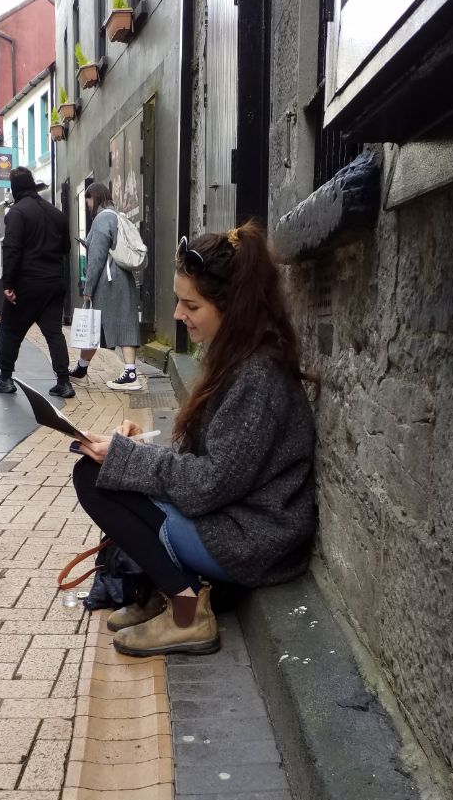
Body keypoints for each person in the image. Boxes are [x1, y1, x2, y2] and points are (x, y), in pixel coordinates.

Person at [72, 220, 317, 657]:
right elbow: (213, 467)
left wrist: (130, 459)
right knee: (98, 472)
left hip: (252, 540)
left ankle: (187, 611)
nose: (177, 315)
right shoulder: (237, 359)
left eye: (191, 305)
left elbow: (209, 484)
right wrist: (138, 451)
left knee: (95, 479)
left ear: (233, 307)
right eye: (178, 301)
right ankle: (173, 590)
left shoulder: (258, 377)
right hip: (236, 521)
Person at [0, 167, 73, 398]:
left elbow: (12, 249)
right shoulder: (57, 214)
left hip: (27, 284)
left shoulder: (16, 213)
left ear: (14, 189)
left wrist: (8, 284)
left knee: (10, 330)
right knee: (54, 333)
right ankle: (64, 382)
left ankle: (6, 378)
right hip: (54, 283)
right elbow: (66, 248)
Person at [72, 181, 142, 390]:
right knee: (125, 322)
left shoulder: (102, 219)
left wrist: (88, 288)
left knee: (93, 324)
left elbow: (97, 257)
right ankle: (129, 371)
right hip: (123, 278)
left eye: (88, 199)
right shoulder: (118, 216)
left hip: (108, 281)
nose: (87, 205)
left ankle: (82, 369)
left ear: (94, 197)